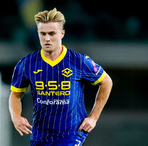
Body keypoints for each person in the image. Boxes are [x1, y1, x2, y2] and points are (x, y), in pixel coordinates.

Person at [9, 8, 113, 146]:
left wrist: (93, 118)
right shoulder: (26, 64)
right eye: (43, 34)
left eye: (52, 33)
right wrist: (16, 117)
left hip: (71, 133)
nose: (47, 38)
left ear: (62, 33)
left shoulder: (78, 61)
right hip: (40, 135)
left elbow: (106, 82)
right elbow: (15, 95)